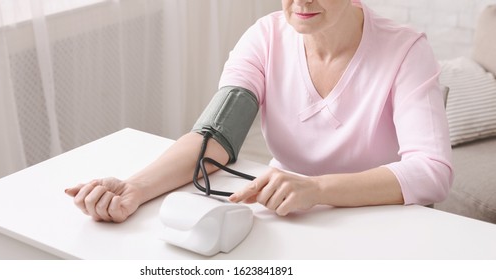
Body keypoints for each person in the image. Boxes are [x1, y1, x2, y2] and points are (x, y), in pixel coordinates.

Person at [65, 0, 453, 223]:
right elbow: (216, 136)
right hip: (292, 218)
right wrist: (136, 188)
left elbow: (432, 172)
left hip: (381, 221)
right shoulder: (265, 38)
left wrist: (316, 189)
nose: (300, 0)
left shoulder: (405, 51)